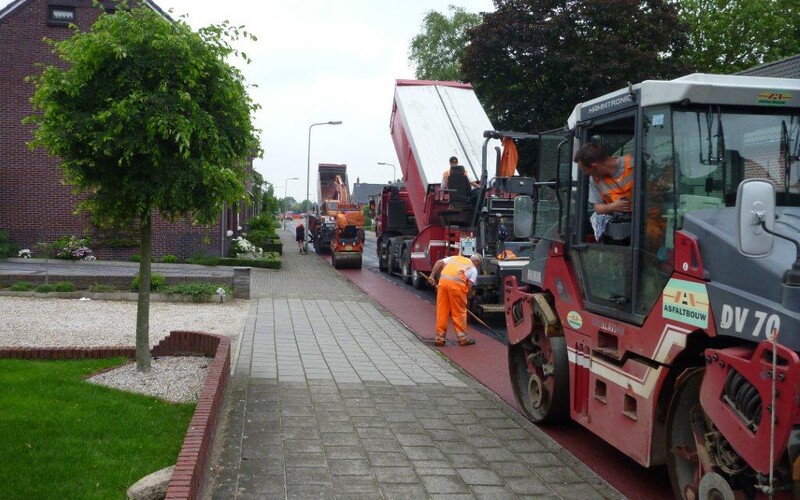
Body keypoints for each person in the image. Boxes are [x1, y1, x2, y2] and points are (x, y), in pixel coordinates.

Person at [573, 142, 633, 242]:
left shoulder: (632, 164)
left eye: (584, 169)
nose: (585, 173)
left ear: (595, 166)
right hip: (625, 228)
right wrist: (613, 206)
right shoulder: (595, 180)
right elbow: (598, 208)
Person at [427, 253, 483, 347]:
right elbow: (469, 286)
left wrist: (432, 276)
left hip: (442, 284)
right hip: (456, 287)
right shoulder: (473, 269)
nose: (477, 266)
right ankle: (463, 339)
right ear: (476, 262)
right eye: (478, 265)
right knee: (459, 312)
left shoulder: (454, 258)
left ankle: (440, 339)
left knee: (442, 311)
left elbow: (438, 262)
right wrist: (465, 299)